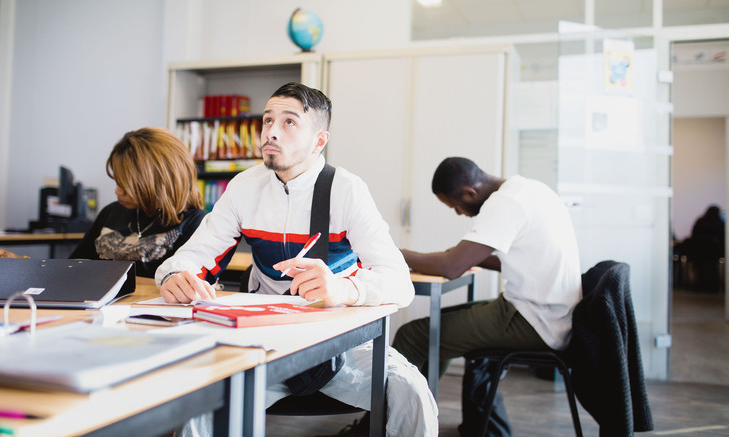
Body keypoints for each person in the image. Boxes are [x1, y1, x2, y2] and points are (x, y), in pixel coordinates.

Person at [155, 82, 438, 436]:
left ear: (319, 140)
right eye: (267, 120)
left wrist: (344, 289)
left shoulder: (347, 191)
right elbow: (190, 259)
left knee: (411, 392)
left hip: (340, 342)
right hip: (264, 343)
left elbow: (399, 282)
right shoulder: (243, 188)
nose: (271, 132)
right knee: (199, 403)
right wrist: (174, 277)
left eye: (289, 122)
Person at [391, 157, 582, 437]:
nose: (459, 213)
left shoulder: (506, 202)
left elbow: (451, 268)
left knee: (415, 335)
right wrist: (471, 256)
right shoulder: (531, 189)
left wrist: (397, 254)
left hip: (534, 319)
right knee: (434, 328)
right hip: (550, 313)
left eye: (456, 206)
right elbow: (520, 258)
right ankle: (413, 420)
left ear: (470, 193)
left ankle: (382, 426)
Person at [0, 128, 219, 278]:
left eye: (125, 186)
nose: (117, 191)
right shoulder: (112, 213)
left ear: (156, 182)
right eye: (117, 182)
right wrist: (23, 263)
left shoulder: (196, 224)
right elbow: (72, 268)